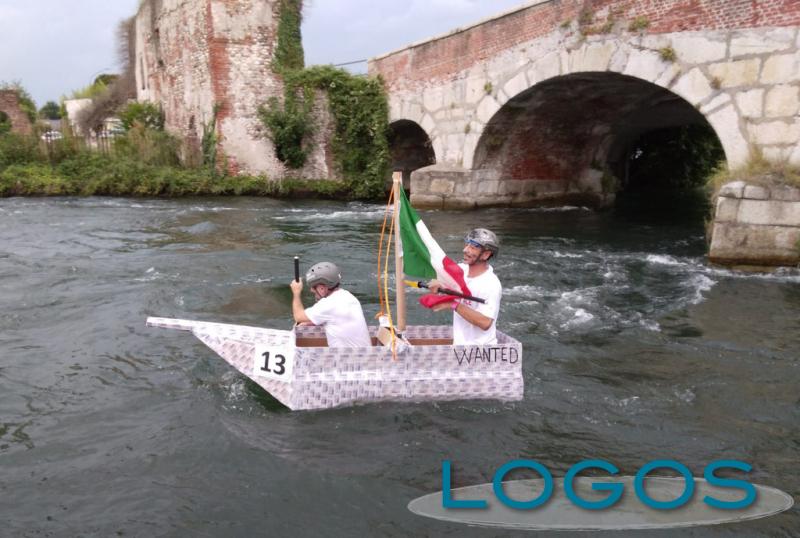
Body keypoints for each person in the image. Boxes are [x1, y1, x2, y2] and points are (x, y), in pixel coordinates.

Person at [429, 228, 502, 346]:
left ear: (486, 254)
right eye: (467, 245)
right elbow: (440, 276)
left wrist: (452, 304)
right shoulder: (461, 269)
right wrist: (437, 283)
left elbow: (485, 322)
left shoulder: (491, 284)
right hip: (460, 347)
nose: (465, 250)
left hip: (481, 352)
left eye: (473, 247)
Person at [290, 261, 371, 348]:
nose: (312, 290)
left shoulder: (328, 304)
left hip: (348, 360)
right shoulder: (348, 296)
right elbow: (338, 319)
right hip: (363, 355)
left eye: (314, 287)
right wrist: (314, 321)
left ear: (322, 288)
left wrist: (296, 292)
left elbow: (298, 317)